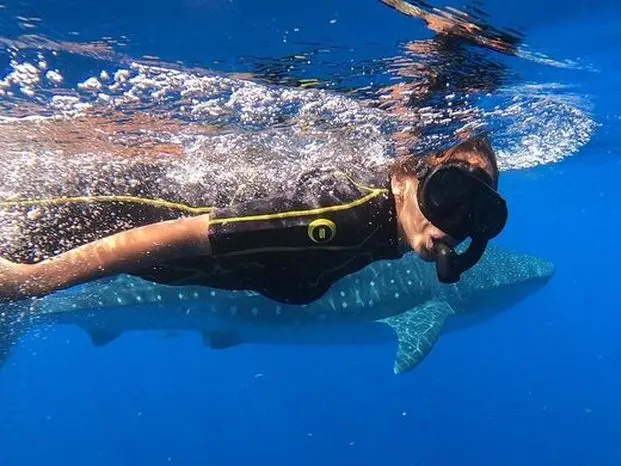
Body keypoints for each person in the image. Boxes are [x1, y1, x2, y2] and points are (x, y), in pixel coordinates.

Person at [0, 136, 507, 304]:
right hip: (102, 209)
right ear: (404, 180)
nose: (452, 224)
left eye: (474, 214)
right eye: (444, 196)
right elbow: (183, 234)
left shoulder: (389, 229)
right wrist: (36, 281)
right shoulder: (339, 216)